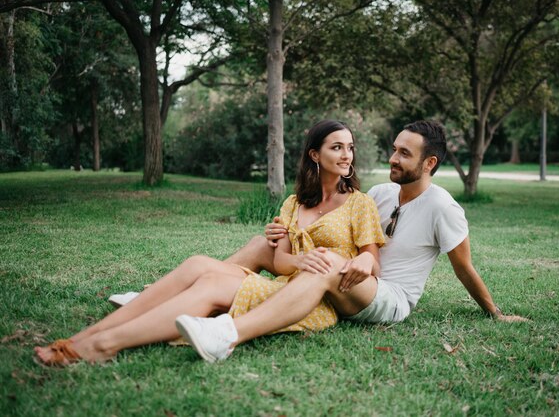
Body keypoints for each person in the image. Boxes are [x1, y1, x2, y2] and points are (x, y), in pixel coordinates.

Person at [34, 119, 385, 366]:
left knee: (211, 284)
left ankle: (102, 344)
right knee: (199, 263)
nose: (346, 155)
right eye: (336, 147)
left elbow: (371, 260)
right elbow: (280, 262)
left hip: (313, 300)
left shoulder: (359, 203)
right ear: (314, 154)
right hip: (285, 283)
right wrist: (300, 262)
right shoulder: (294, 203)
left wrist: (358, 264)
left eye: (349, 148)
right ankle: (86, 335)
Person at [172, 120, 528, 363]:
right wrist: (283, 235)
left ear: (429, 162)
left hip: (388, 296)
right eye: (395, 149)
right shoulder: (381, 193)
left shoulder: (443, 208)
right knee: (265, 245)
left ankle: (227, 334)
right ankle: (174, 298)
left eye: (405, 154)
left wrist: (495, 313)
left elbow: (463, 267)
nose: (393, 157)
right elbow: (339, 226)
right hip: (351, 277)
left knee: (326, 263)